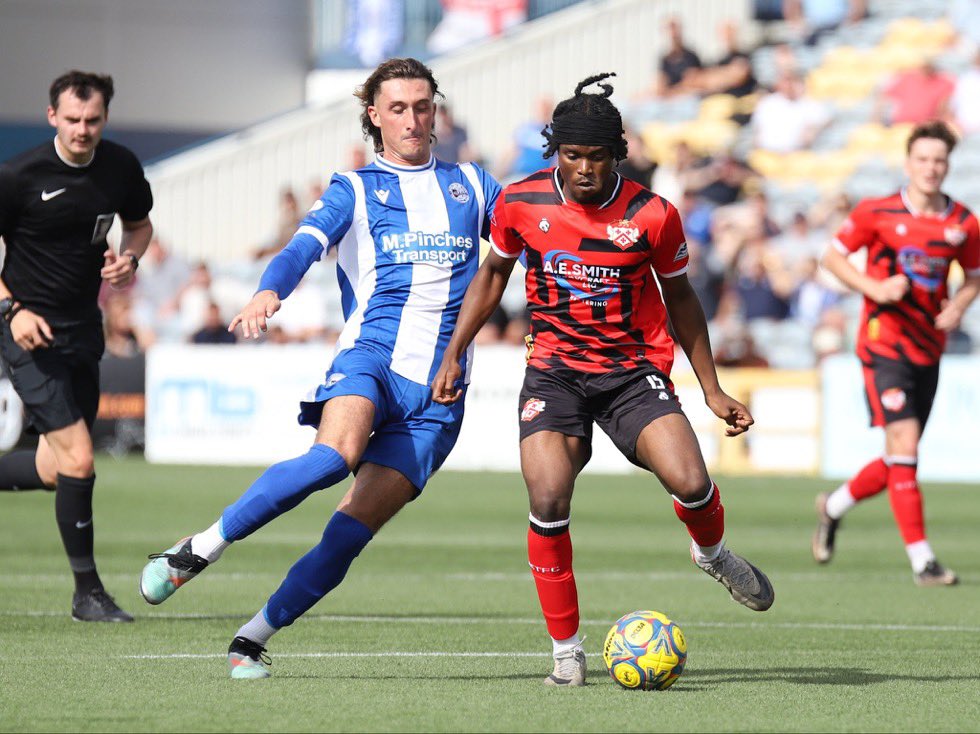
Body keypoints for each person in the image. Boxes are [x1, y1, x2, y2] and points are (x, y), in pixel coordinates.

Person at [139, 57, 500, 678]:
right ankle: (199, 548)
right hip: (372, 360)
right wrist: (267, 291)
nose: (413, 120)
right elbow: (302, 247)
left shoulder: (474, 184)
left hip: (441, 393)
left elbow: (535, 243)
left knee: (346, 537)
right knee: (333, 457)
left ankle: (251, 638)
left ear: (435, 110)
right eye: (398, 109)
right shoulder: (354, 188)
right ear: (373, 116)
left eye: (422, 106)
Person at [432, 73, 774, 688]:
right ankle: (567, 650)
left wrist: (712, 388)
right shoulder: (520, 202)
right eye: (572, 156)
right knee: (547, 500)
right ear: (554, 153)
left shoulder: (652, 215)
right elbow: (492, 276)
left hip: (631, 372)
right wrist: (455, 351)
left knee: (692, 482)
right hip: (554, 372)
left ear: (617, 154)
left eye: (596, 156)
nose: (584, 169)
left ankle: (712, 554)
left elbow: (683, 300)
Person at [0, 70, 153, 621]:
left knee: (53, 469)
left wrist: (129, 258)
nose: (82, 130)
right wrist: (11, 310)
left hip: (83, 331)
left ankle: (86, 592)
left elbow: (139, 226)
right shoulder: (18, 176)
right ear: (51, 117)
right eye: (72, 120)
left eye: (92, 120)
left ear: (104, 118)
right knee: (82, 458)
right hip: (27, 332)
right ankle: (86, 593)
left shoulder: (121, 167)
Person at [812, 121, 980, 585]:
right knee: (904, 445)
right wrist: (875, 288)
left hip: (930, 348)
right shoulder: (877, 212)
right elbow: (832, 256)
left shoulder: (962, 223)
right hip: (883, 344)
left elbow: (975, 276)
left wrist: (961, 304)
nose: (931, 168)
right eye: (923, 159)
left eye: (939, 160)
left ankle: (833, 505)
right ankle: (922, 560)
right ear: (908, 163)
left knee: (898, 458)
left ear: (948, 165)